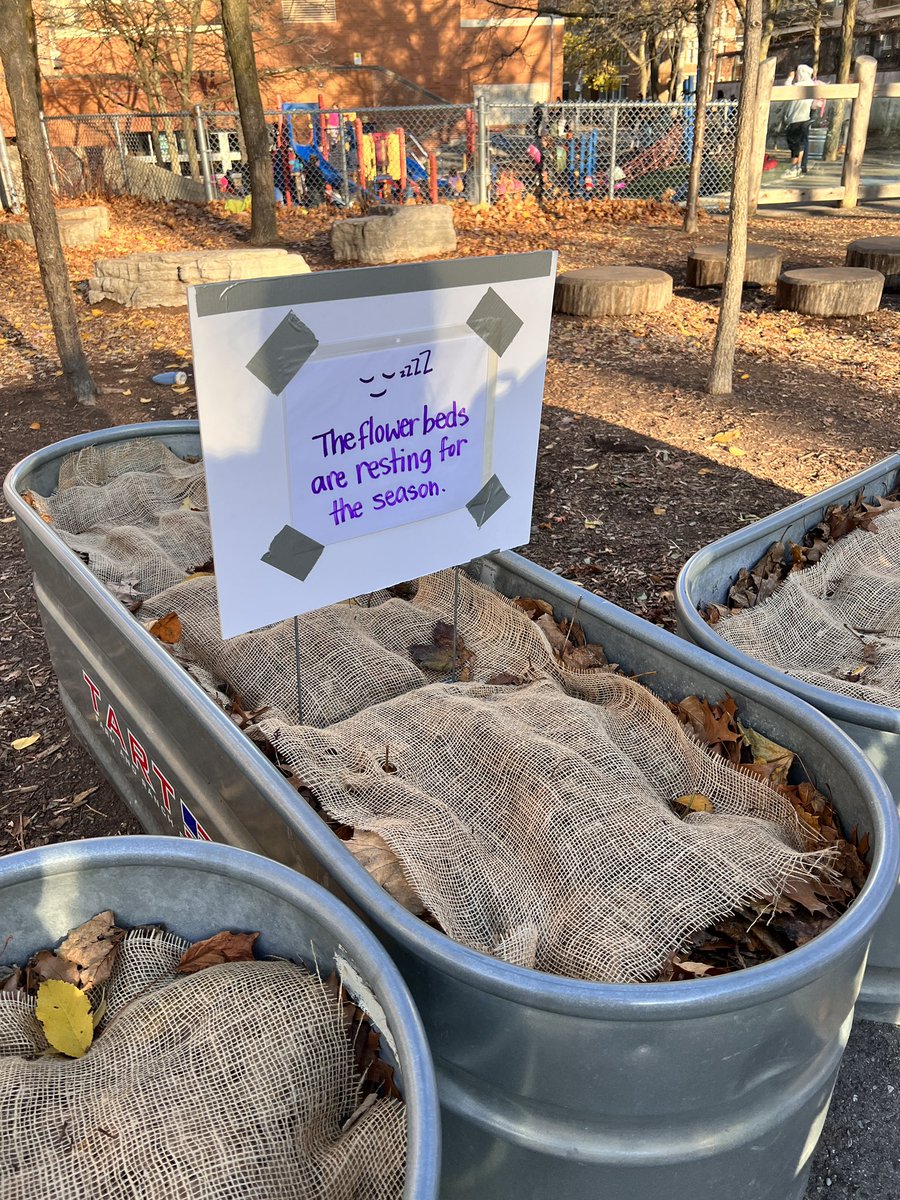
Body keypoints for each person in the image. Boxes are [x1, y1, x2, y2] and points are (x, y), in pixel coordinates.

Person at [782, 63, 819, 178]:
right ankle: (800, 166)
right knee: (801, 143)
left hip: (795, 118)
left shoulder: (798, 86)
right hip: (805, 118)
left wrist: (790, 77)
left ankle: (794, 167)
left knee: (794, 144)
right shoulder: (813, 86)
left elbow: (786, 88)